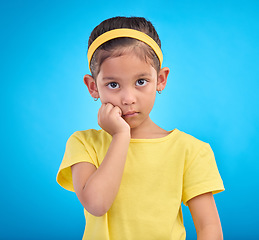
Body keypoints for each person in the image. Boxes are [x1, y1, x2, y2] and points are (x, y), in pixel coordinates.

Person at [57, 16, 224, 240]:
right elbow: (97, 204)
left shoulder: (190, 150)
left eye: (141, 82)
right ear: (92, 86)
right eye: (113, 84)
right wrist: (120, 135)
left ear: (161, 80)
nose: (128, 98)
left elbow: (209, 228)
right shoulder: (83, 144)